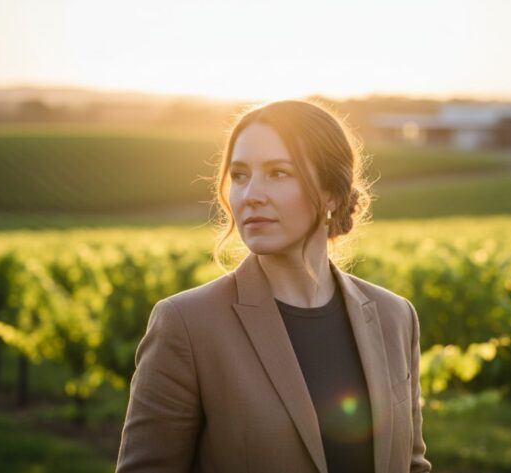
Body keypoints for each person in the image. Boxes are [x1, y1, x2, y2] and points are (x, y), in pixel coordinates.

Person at [116, 99, 432, 473]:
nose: (251, 195)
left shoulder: (395, 317)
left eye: (278, 173)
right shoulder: (186, 325)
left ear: (332, 193)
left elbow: (411, 464)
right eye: (239, 175)